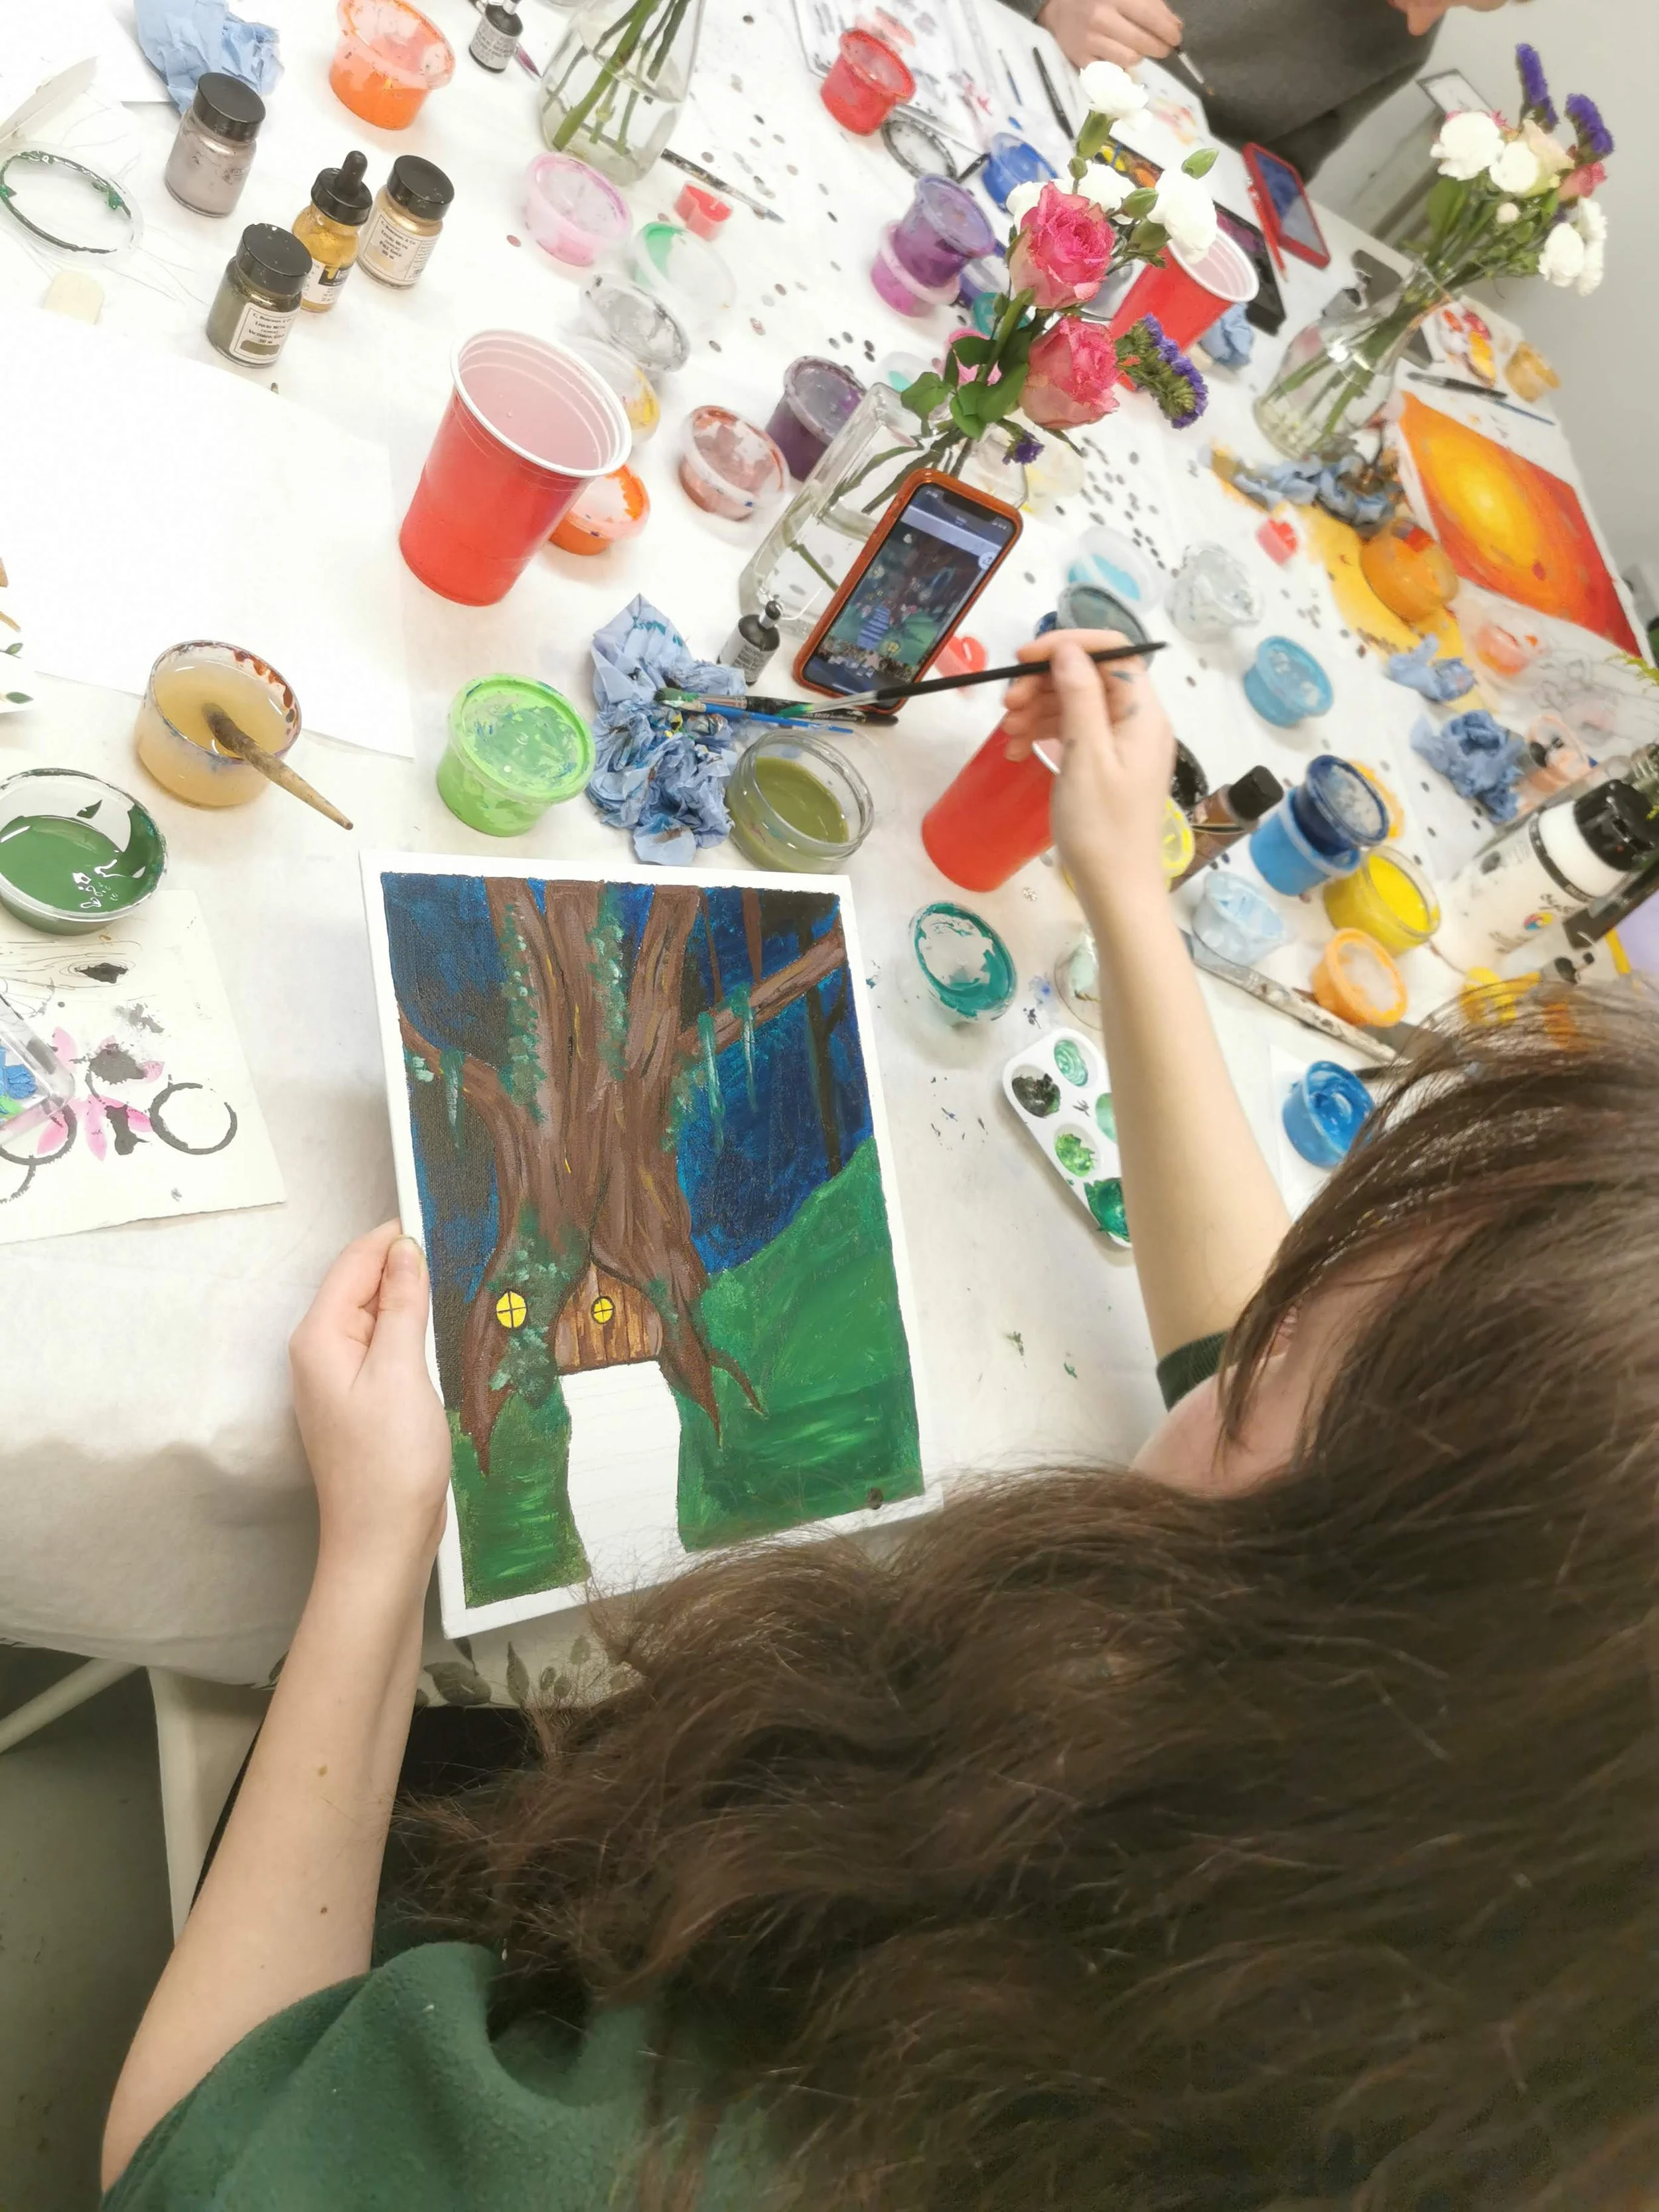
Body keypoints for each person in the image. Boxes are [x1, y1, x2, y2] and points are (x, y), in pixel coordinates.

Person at [102, 636, 1658, 2210]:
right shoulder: (1479, 1917)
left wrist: (379, 1546)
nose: (1229, 1359)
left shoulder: (816, 2129)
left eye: (1256, 1394)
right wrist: (1123, 886)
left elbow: (198, 2148)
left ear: (1338, 1654)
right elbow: (1267, 1356)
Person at [1007, 0, 1520, 177]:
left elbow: (1278, 174)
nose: (1419, 24)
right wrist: (1050, 5)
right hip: (999, 69)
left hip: (1111, 183)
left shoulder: (1409, 40)